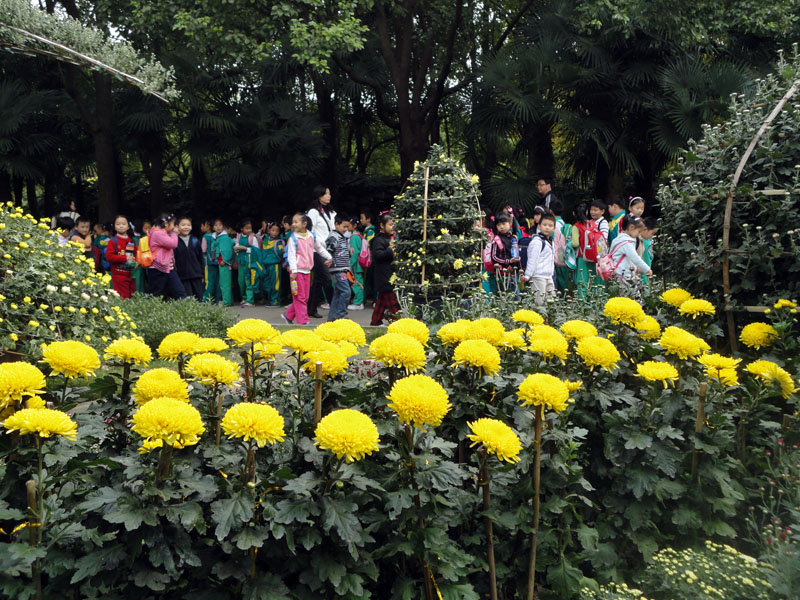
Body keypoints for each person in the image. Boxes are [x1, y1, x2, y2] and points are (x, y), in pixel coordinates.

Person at [282, 213, 332, 325]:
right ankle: (303, 321)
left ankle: (288, 315)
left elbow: (319, 248)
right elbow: (291, 255)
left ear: (304, 224)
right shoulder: (293, 238)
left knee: (305, 297)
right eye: (293, 222)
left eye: (296, 222)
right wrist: (293, 271)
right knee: (300, 297)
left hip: (307, 271)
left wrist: (329, 257)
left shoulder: (311, 236)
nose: (293, 224)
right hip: (297, 271)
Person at [307, 185, 336, 317]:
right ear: (319, 195)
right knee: (327, 280)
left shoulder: (331, 211)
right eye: (326, 194)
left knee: (318, 281)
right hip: (317, 250)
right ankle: (335, 309)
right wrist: (317, 245)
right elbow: (310, 231)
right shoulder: (313, 212)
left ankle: (311, 309)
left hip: (329, 249)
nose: (329, 196)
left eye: (329, 193)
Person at [608, 214, 652, 297]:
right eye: (639, 232)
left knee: (628, 295)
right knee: (633, 296)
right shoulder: (626, 243)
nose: (639, 235)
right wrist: (647, 269)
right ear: (631, 227)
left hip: (621, 273)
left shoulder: (618, 239)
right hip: (624, 274)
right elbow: (635, 258)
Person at [147, 213, 187, 300]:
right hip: (157, 269)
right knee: (155, 295)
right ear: (166, 224)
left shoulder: (164, 232)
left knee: (180, 293)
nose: (174, 227)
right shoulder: (157, 233)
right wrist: (174, 233)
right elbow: (173, 243)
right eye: (173, 224)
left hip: (168, 269)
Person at [370, 213, 400, 326]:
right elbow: (377, 255)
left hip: (389, 275)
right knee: (393, 304)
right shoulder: (378, 240)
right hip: (384, 276)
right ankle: (396, 324)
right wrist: (390, 250)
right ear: (382, 225)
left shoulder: (390, 238)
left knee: (382, 302)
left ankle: (375, 322)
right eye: (391, 224)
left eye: (394, 225)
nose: (393, 227)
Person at [520, 214, 556, 305]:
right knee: (539, 303)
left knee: (551, 303)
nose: (547, 228)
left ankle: (548, 319)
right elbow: (532, 259)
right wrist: (527, 275)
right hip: (538, 276)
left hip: (548, 276)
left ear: (554, 228)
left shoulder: (551, 241)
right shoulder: (537, 241)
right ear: (539, 226)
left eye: (550, 225)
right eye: (544, 225)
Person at [573, 203, 605, 297]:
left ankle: (583, 303)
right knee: (594, 280)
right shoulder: (592, 224)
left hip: (582, 257)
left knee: (583, 280)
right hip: (594, 256)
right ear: (586, 212)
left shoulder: (576, 226)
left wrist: (569, 243)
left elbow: (575, 243)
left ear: (574, 214)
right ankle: (596, 301)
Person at [326, 214, 352, 321]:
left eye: (347, 227)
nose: (346, 229)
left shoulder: (342, 237)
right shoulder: (333, 237)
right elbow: (329, 251)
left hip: (342, 268)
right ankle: (341, 315)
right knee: (346, 292)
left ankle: (331, 318)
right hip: (338, 269)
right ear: (337, 224)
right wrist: (329, 259)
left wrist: (349, 252)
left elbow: (340, 252)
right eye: (344, 226)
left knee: (338, 294)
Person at [105, 215, 137, 299]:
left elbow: (136, 255)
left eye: (123, 223)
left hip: (131, 274)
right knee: (123, 298)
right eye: (118, 224)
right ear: (114, 227)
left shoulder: (132, 241)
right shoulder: (113, 241)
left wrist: (137, 262)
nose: (121, 226)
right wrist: (125, 258)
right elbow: (109, 257)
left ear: (128, 226)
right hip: (119, 276)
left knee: (133, 297)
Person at [174, 217, 204, 300]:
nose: (186, 227)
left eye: (188, 225)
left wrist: (202, 275)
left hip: (196, 275)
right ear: (177, 227)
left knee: (199, 298)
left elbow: (200, 259)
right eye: (183, 225)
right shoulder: (174, 241)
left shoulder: (195, 241)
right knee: (187, 299)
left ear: (191, 227)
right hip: (182, 277)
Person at [234, 219, 261, 307]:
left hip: (250, 262)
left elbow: (256, 251)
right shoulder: (238, 237)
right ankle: (244, 298)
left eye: (250, 228)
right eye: (247, 228)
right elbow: (236, 247)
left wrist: (245, 248)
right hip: (241, 262)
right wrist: (237, 248)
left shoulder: (252, 238)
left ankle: (250, 300)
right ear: (242, 229)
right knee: (241, 281)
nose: (249, 230)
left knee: (248, 281)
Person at [490, 214, 520, 293]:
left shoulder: (513, 237)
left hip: (513, 273)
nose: (501, 227)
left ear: (510, 223)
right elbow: (494, 257)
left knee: (515, 297)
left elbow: (516, 254)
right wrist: (508, 261)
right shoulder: (497, 239)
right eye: (499, 225)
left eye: (503, 224)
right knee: (507, 297)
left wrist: (520, 269)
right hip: (502, 274)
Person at [212, 219, 235, 307]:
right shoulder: (216, 238)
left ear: (223, 227)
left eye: (220, 225)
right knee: (224, 282)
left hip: (224, 263)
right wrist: (215, 259)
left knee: (225, 283)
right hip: (219, 262)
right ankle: (229, 300)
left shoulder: (224, 238)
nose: (218, 227)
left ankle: (227, 302)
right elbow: (214, 249)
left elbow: (228, 250)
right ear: (213, 227)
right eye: (216, 225)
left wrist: (224, 260)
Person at [261, 223, 284, 306]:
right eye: (273, 230)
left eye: (277, 231)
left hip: (275, 265)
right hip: (265, 265)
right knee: (267, 283)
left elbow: (281, 253)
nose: (274, 232)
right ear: (269, 230)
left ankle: (275, 301)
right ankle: (270, 299)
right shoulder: (265, 240)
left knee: (275, 284)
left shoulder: (279, 242)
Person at [348, 219, 367, 310]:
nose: (347, 227)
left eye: (348, 225)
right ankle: (359, 302)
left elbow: (354, 253)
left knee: (357, 283)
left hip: (356, 264)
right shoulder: (359, 235)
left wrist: (350, 264)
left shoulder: (354, 237)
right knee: (359, 282)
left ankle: (358, 303)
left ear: (354, 225)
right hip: (360, 263)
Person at [359, 208, 376, 307]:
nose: (361, 220)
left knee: (369, 280)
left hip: (370, 259)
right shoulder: (367, 231)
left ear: (368, 219)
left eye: (362, 218)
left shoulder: (370, 231)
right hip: (369, 259)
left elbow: (369, 245)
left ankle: (366, 300)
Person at [202, 219, 220, 302]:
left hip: (208, 262)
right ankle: (217, 299)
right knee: (218, 281)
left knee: (209, 281)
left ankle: (206, 299)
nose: (201, 227)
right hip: (218, 261)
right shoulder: (216, 236)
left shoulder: (205, 237)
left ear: (208, 226)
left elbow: (203, 250)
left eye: (203, 225)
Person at [638, 216, 658, 285]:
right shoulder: (640, 241)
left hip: (646, 273)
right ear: (645, 229)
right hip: (642, 275)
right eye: (652, 233)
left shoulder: (648, 240)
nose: (652, 236)